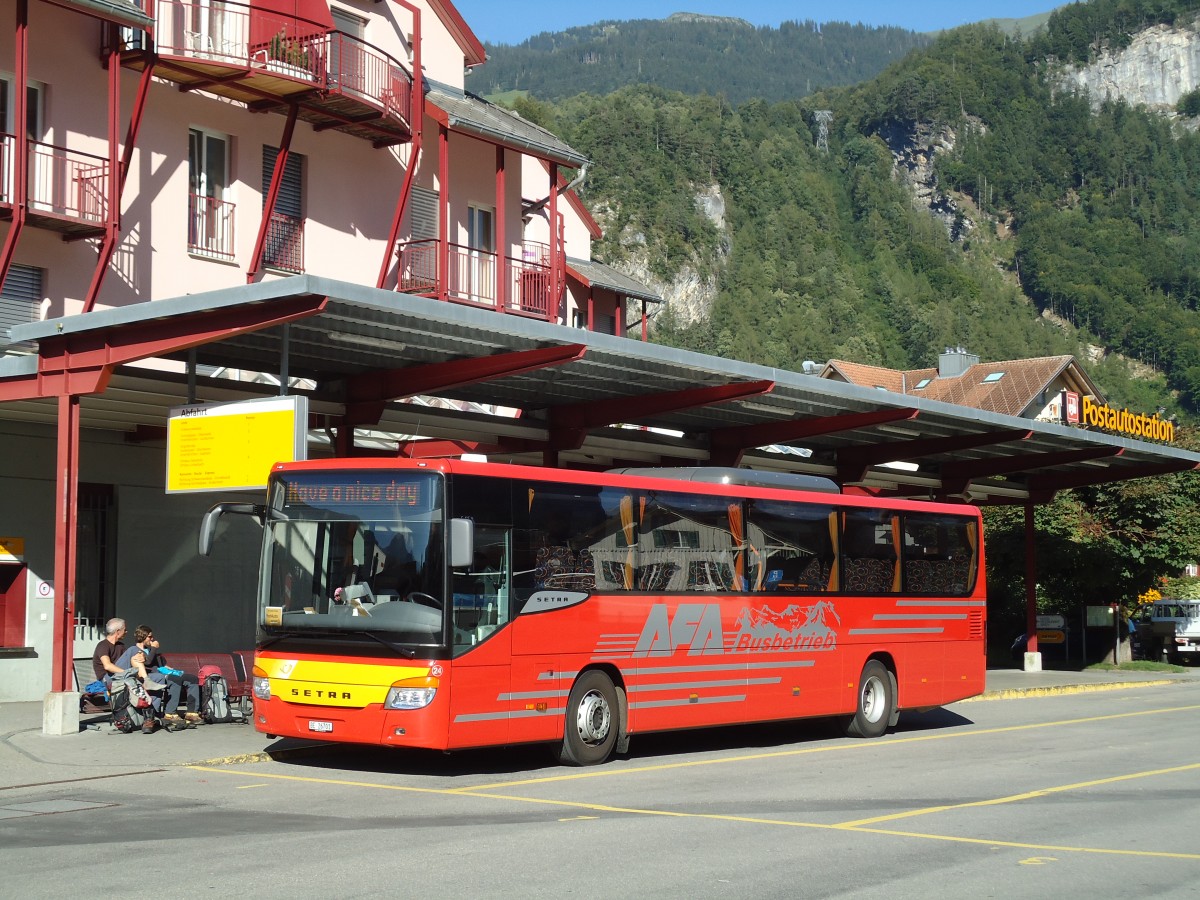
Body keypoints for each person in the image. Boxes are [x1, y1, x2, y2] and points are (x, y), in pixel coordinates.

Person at [117, 625, 202, 727]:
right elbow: (147, 663)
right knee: (175, 680)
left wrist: (172, 670)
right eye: (150, 637)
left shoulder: (149, 650)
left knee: (192, 679)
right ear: (143, 636)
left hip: (163, 673)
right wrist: (153, 648)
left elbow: (161, 665)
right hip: (152, 676)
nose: (152, 639)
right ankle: (170, 713)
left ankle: (192, 713)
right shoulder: (134, 650)